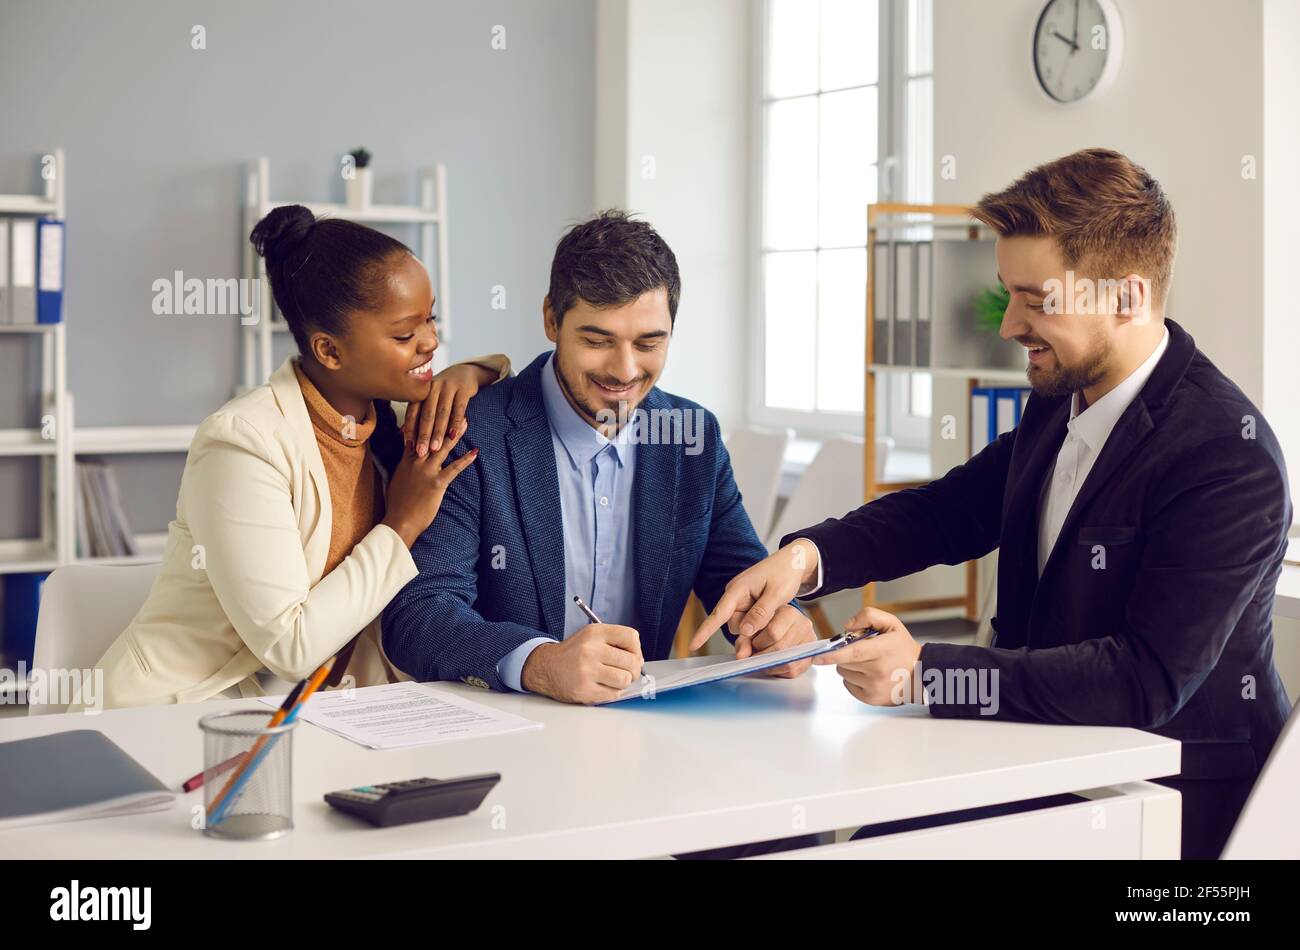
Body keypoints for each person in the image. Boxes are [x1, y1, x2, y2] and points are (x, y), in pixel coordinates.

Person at [693, 149, 1294, 860]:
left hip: (1170, 806)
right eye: (1009, 294)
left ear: (1127, 298)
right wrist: (805, 560)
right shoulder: (1061, 400)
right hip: (1040, 757)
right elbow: (947, 512)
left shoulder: (1227, 455)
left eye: (1038, 301)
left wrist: (924, 672)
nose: (1009, 325)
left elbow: (1144, 678)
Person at [78, 205, 508, 710]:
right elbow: (291, 646)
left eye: (431, 318)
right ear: (329, 351)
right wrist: (402, 524)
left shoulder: (391, 421)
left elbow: (513, 386)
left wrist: (470, 372)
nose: (431, 342)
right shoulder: (242, 444)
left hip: (319, 710)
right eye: (404, 334)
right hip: (178, 713)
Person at [381, 210, 817, 705]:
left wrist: (781, 625)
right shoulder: (468, 430)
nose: (624, 371)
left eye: (648, 343)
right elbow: (419, 614)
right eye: (597, 340)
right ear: (551, 319)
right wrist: (540, 663)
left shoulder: (692, 437)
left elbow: (740, 580)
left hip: (642, 725)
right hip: (502, 725)